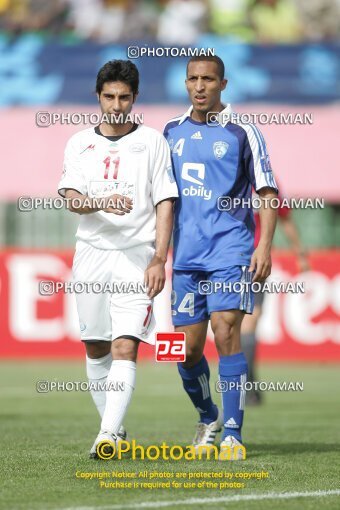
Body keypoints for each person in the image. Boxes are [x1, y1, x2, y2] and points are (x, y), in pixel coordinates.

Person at [58, 59, 178, 458]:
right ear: (98, 96)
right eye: (109, 96)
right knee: (96, 347)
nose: (116, 105)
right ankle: (116, 427)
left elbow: (165, 202)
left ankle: (106, 436)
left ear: (135, 99)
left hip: (135, 257)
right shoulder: (79, 143)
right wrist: (101, 201)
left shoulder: (153, 142)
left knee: (126, 346)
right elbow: (72, 200)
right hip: (91, 254)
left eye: (124, 97)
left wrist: (159, 258)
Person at [163, 55, 278, 459]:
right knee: (185, 350)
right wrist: (157, 253)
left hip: (231, 251)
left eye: (208, 79)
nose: (199, 86)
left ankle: (232, 432)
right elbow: (162, 199)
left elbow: (266, 192)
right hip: (185, 258)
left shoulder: (243, 131)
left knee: (226, 331)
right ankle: (207, 414)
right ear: (185, 82)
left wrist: (264, 247)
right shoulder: (170, 131)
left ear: (223, 84)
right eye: (193, 78)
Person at [242, 194, 309, 404]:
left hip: (254, 261)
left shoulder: (265, 180)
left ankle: (246, 385)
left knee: (247, 322)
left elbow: (284, 216)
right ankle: (247, 387)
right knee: (241, 324)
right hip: (230, 258)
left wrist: (300, 252)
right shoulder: (228, 172)